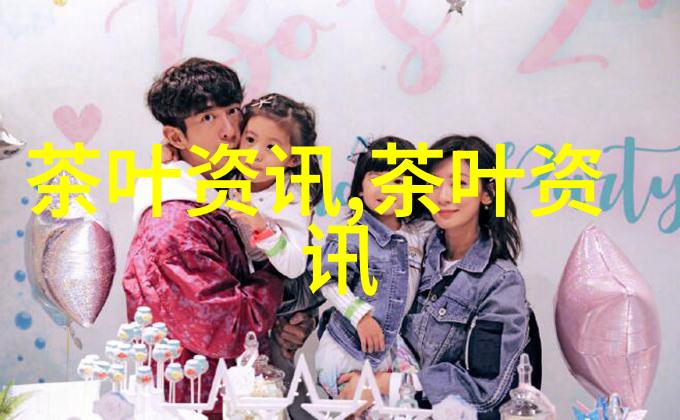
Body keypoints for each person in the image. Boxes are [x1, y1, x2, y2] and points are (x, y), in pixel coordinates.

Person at [314, 137, 435, 399]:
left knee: (409, 405)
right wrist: (361, 317)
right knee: (353, 408)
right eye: (376, 178)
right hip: (348, 348)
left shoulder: (419, 235)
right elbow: (328, 280)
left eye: (398, 181)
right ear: (360, 188)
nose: (385, 188)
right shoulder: (350, 231)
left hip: (390, 350)